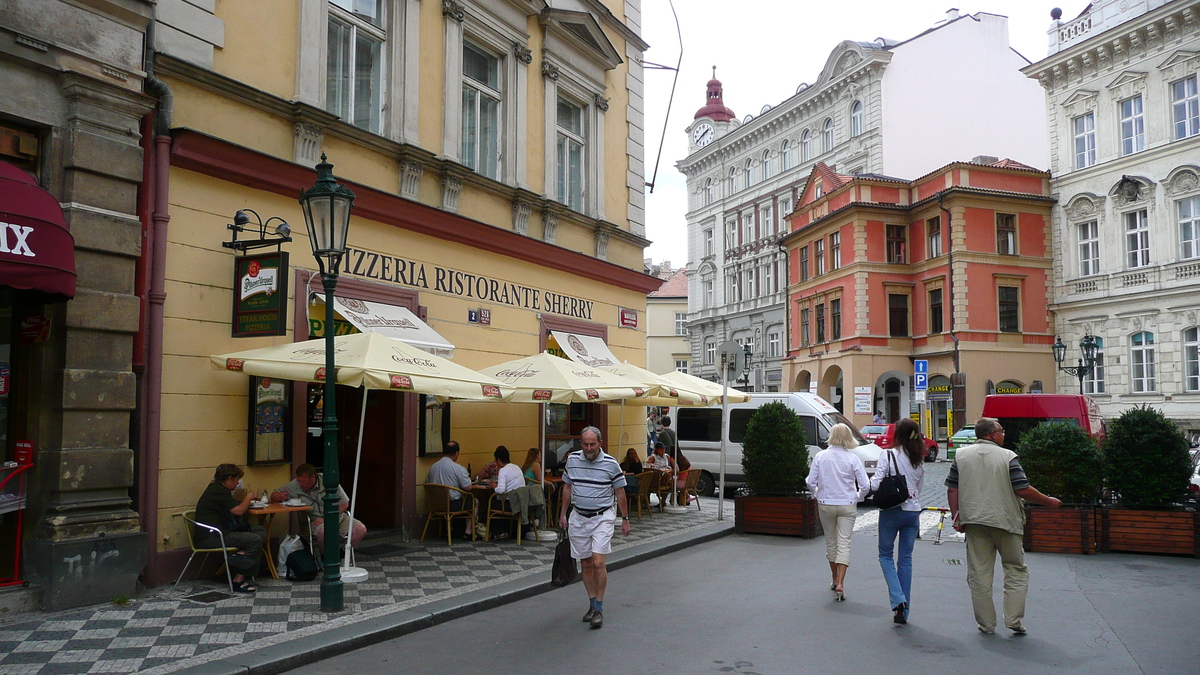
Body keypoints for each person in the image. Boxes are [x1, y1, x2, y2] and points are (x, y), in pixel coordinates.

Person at [946, 418, 1062, 635]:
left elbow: (953, 490)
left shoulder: (961, 456)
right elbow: (1022, 489)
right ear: (991, 434)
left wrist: (956, 517)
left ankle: (986, 624)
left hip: (974, 521)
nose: (1004, 434)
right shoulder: (1008, 456)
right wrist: (1049, 501)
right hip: (1005, 521)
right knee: (1015, 569)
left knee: (979, 573)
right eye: (1001, 431)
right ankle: (1013, 619)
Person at [559, 426, 630, 630]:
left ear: (600, 443)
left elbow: (620, 492)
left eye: (592, 444)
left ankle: (599, 608)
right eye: (585, 444)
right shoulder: (572, 460)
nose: (589, 448)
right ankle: (592, 603)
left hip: (602, 516)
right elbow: (567, 487)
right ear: (580, 443)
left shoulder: (610, 464)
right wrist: (563, 514)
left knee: (598, 562)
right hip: (579, 517)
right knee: (586, 563)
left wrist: (625, 519)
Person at [870, 418, 925, 624]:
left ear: (897, 435)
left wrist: (860, 489)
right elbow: (918, 489)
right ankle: (904, 612)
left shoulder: (888, 454)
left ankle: (898, 599)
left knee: (885, 555)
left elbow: (876, 483)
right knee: (906, 560)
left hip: (892, 511)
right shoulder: (918, 458)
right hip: (913, 513)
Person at [806, 423, 869, 602]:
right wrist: (858, 497)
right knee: (844, 543)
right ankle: (841, 582)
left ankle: (834, 578)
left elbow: (811, 481)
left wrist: (816, 493)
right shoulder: (853, 458)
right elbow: (865, 485)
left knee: (831, 542)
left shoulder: (821, 456)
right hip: (847, 504)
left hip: (826, 503)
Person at [195, 463, 264, 593]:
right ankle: (239, 580)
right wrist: (248, 498)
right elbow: (239, 511)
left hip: (220, 532)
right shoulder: (219, 491)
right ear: (230, 478)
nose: (237, 483)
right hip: (212, 537)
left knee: (260, 531)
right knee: (254, 539)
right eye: (237, 480)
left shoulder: (217, 489)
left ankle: (241, 555)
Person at [271, 463, 367, 551]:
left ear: (313, 477)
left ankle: (342, 553)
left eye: (303, 481)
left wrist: (327, 518)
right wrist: (277, 496)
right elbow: (274, 494)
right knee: (324, 531)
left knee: (360, 529)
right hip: (315, 521)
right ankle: (325, 556)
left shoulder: (328, 480)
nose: (300, 484)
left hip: (337, 517)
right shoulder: (295, 485)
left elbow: (344, 504)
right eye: (299, 481)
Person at [425, 441, 474, 538]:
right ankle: (468, 532)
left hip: (436, 505)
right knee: (473, 501)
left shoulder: (433, 467)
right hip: (452, 505)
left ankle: (449, 530)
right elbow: (468, 487)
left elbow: (428, 482)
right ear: (456, 453)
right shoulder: (457, 468)